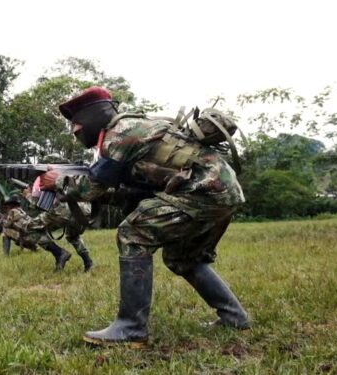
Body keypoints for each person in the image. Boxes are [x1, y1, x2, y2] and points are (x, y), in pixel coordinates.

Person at [41, 86, 250, 346]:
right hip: (220, 191)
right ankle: (235, 317)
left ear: (92, 118)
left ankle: (131, 328)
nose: (75, 134)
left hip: (202, 191)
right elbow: (130, 192)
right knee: (184, 259)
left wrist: (58, 181)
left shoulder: (120, 134)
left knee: (133, 233)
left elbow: (93, 187)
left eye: (77, 127)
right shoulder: (134, 127)